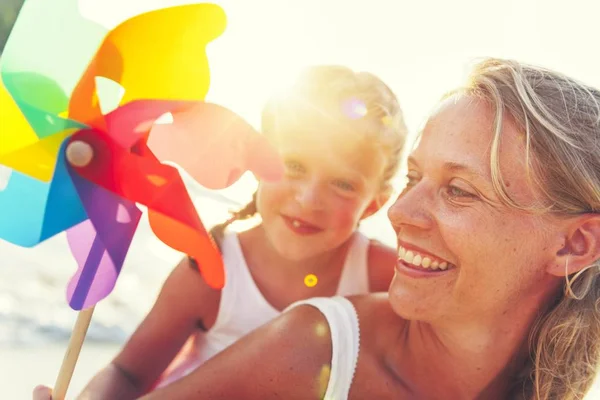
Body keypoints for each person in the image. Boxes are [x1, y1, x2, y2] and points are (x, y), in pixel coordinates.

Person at [91, 57, 598, 400]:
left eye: (459, 190)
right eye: (415, 178)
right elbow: (132, 370)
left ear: (577, 243)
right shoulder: (314, 339)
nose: (399, 215)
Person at [33, 65, 408, 399]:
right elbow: (128, 372)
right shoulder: (212, 270)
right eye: (293, 165)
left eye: (343, 184)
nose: (309, 199)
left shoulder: (385, 278)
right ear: (258, 161)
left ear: (373, 204)